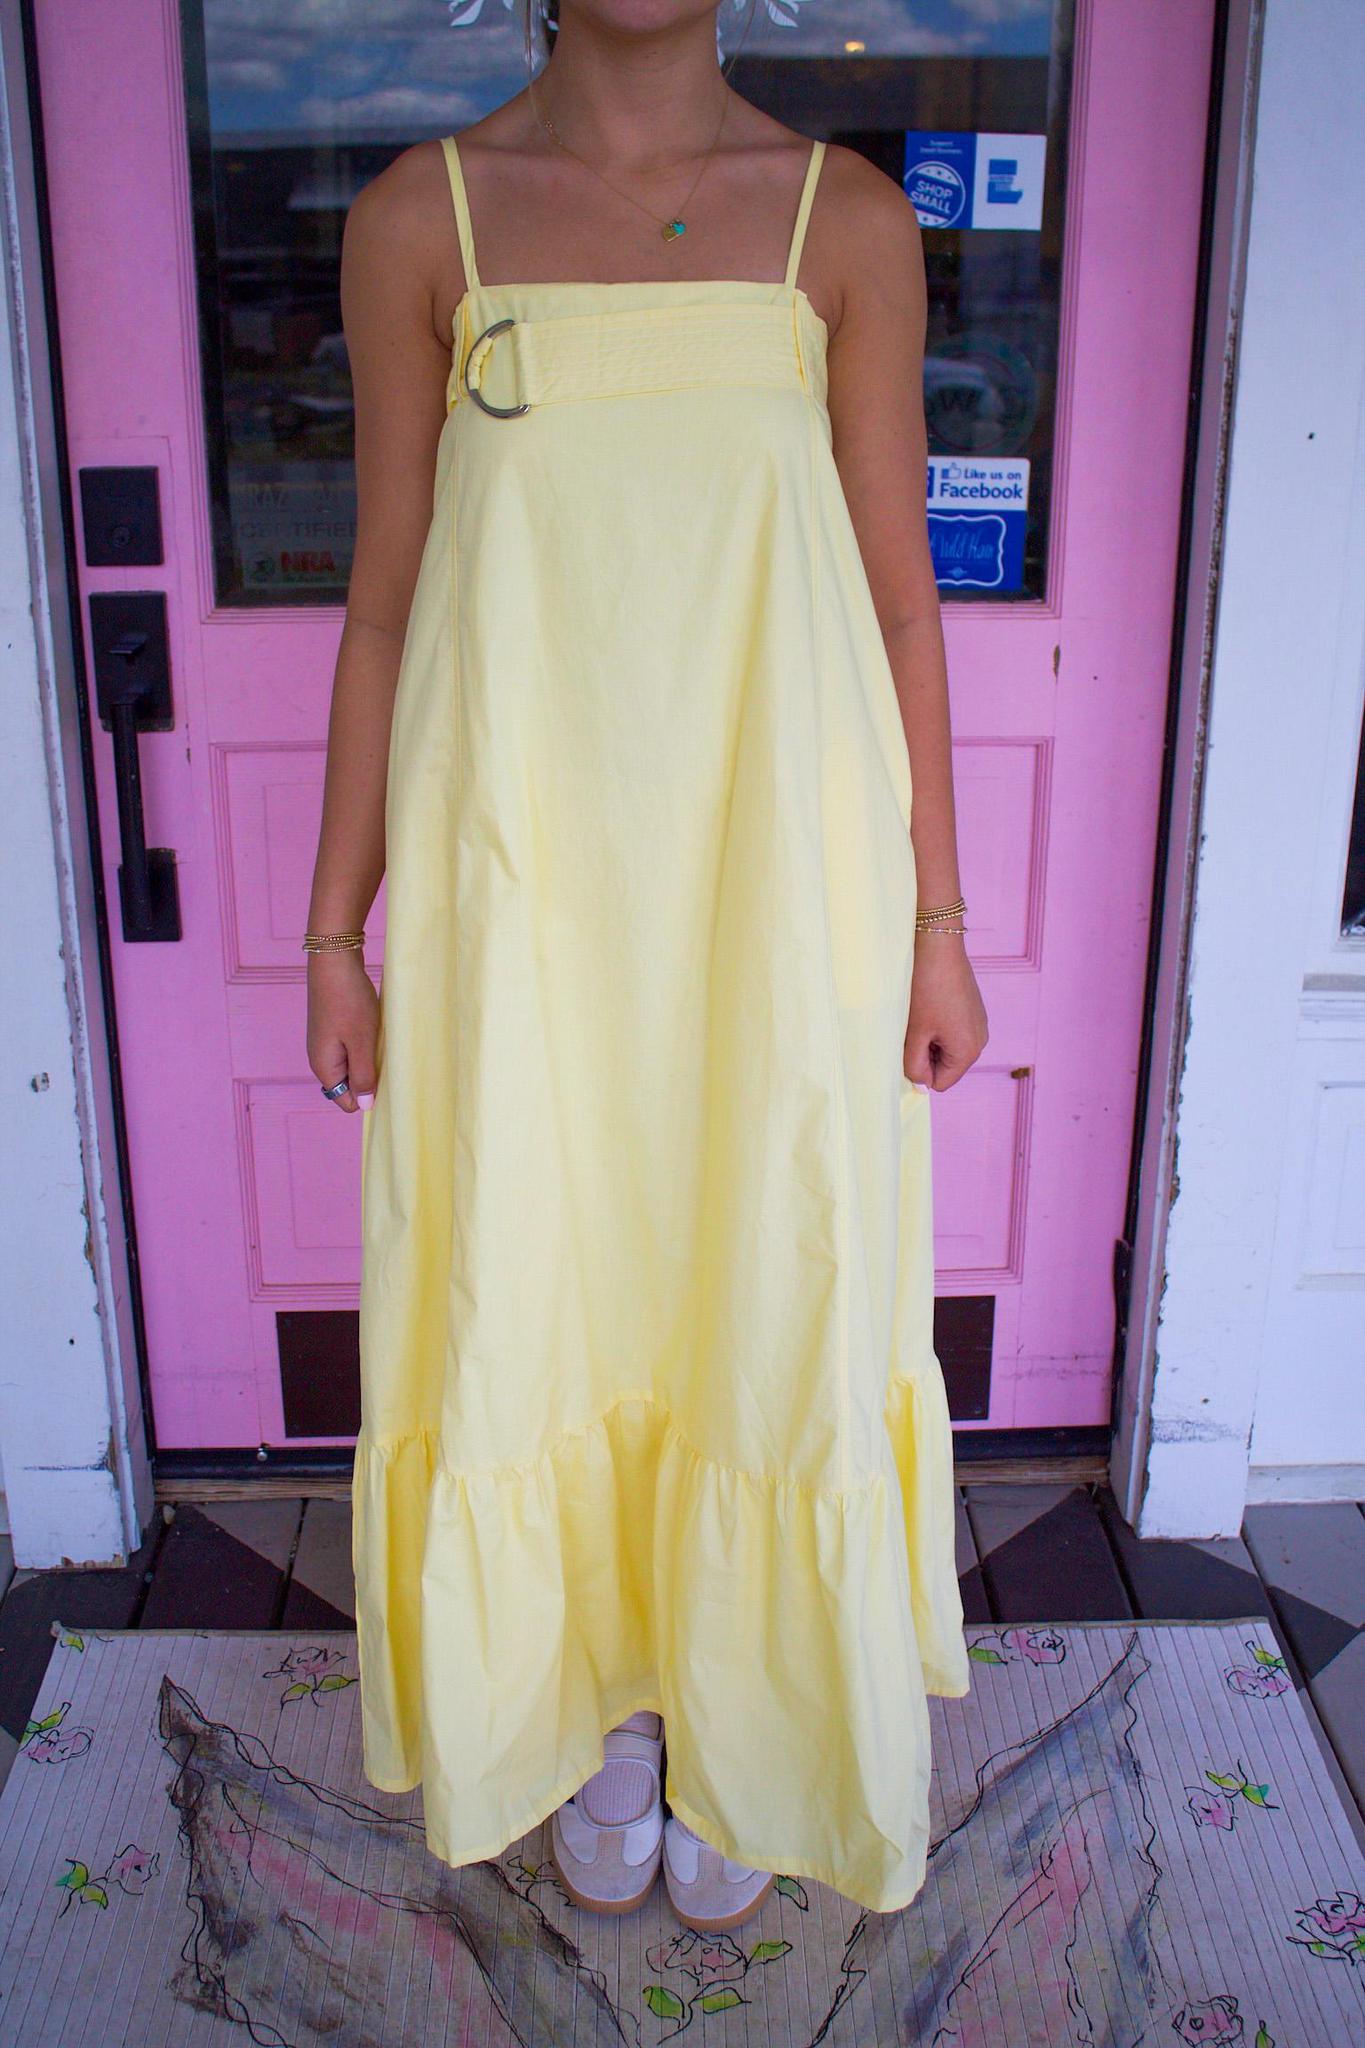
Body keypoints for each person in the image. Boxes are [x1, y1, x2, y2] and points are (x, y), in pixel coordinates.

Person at [305, 0, 988, 1935]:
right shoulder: (419, 219)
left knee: (767, 1271)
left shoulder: (842, 219)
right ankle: (606, 1709)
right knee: (539, 1278)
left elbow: (898, 597)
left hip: (781, 878)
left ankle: (742, 1719)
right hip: (515, 883)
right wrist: (334, 927)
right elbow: (383, 600)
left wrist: (938, 923)